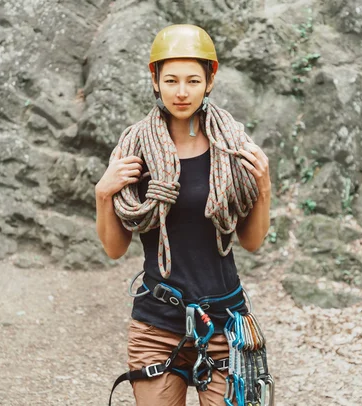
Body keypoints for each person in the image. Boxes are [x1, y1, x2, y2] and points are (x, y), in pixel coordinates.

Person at [95, 24, 272, 406]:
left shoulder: (232, 148)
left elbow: (252, 242)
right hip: (157, 322)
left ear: (211, 79)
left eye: (193, 80)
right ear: (154, 79)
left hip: (225, 320)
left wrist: (264, 187)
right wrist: (103, 193)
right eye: (171, 79)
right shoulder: (134, 150)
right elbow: (113, 249)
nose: (181, 91)